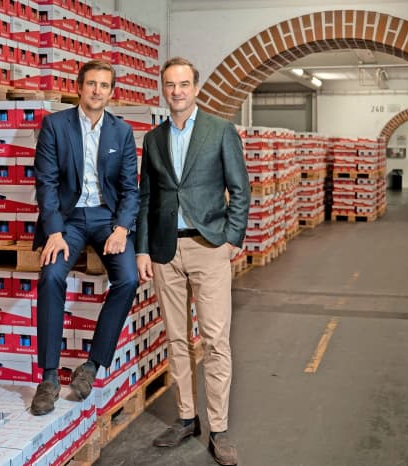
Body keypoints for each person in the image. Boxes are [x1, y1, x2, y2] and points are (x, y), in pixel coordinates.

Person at [135, 57, 250, 466]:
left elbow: (240, 189)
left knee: (216, 340)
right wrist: (143, 249)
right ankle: (187, 417)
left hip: (209, 246)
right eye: (170, 85)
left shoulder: (220, 130)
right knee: (176, 338)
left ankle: (218, 428)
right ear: (163, 89)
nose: (177, 91)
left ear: (195, 88)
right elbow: (147, 198)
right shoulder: (153, 139)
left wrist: (231, 239)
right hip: (166, 250)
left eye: (184, 84)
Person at [31, 59, 140, 416]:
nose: (97, 91)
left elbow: (130, 188)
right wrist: (54, 231)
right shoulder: (55, 125)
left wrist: (122, 228)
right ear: (78, 87)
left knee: (128, 279)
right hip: (69, 219)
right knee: (51, 275)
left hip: (108, 218)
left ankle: (91, 366)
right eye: (91, 83)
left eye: (104, 85)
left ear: (111, 92)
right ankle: (49, 377)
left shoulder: (121, 131)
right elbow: (46, 183)